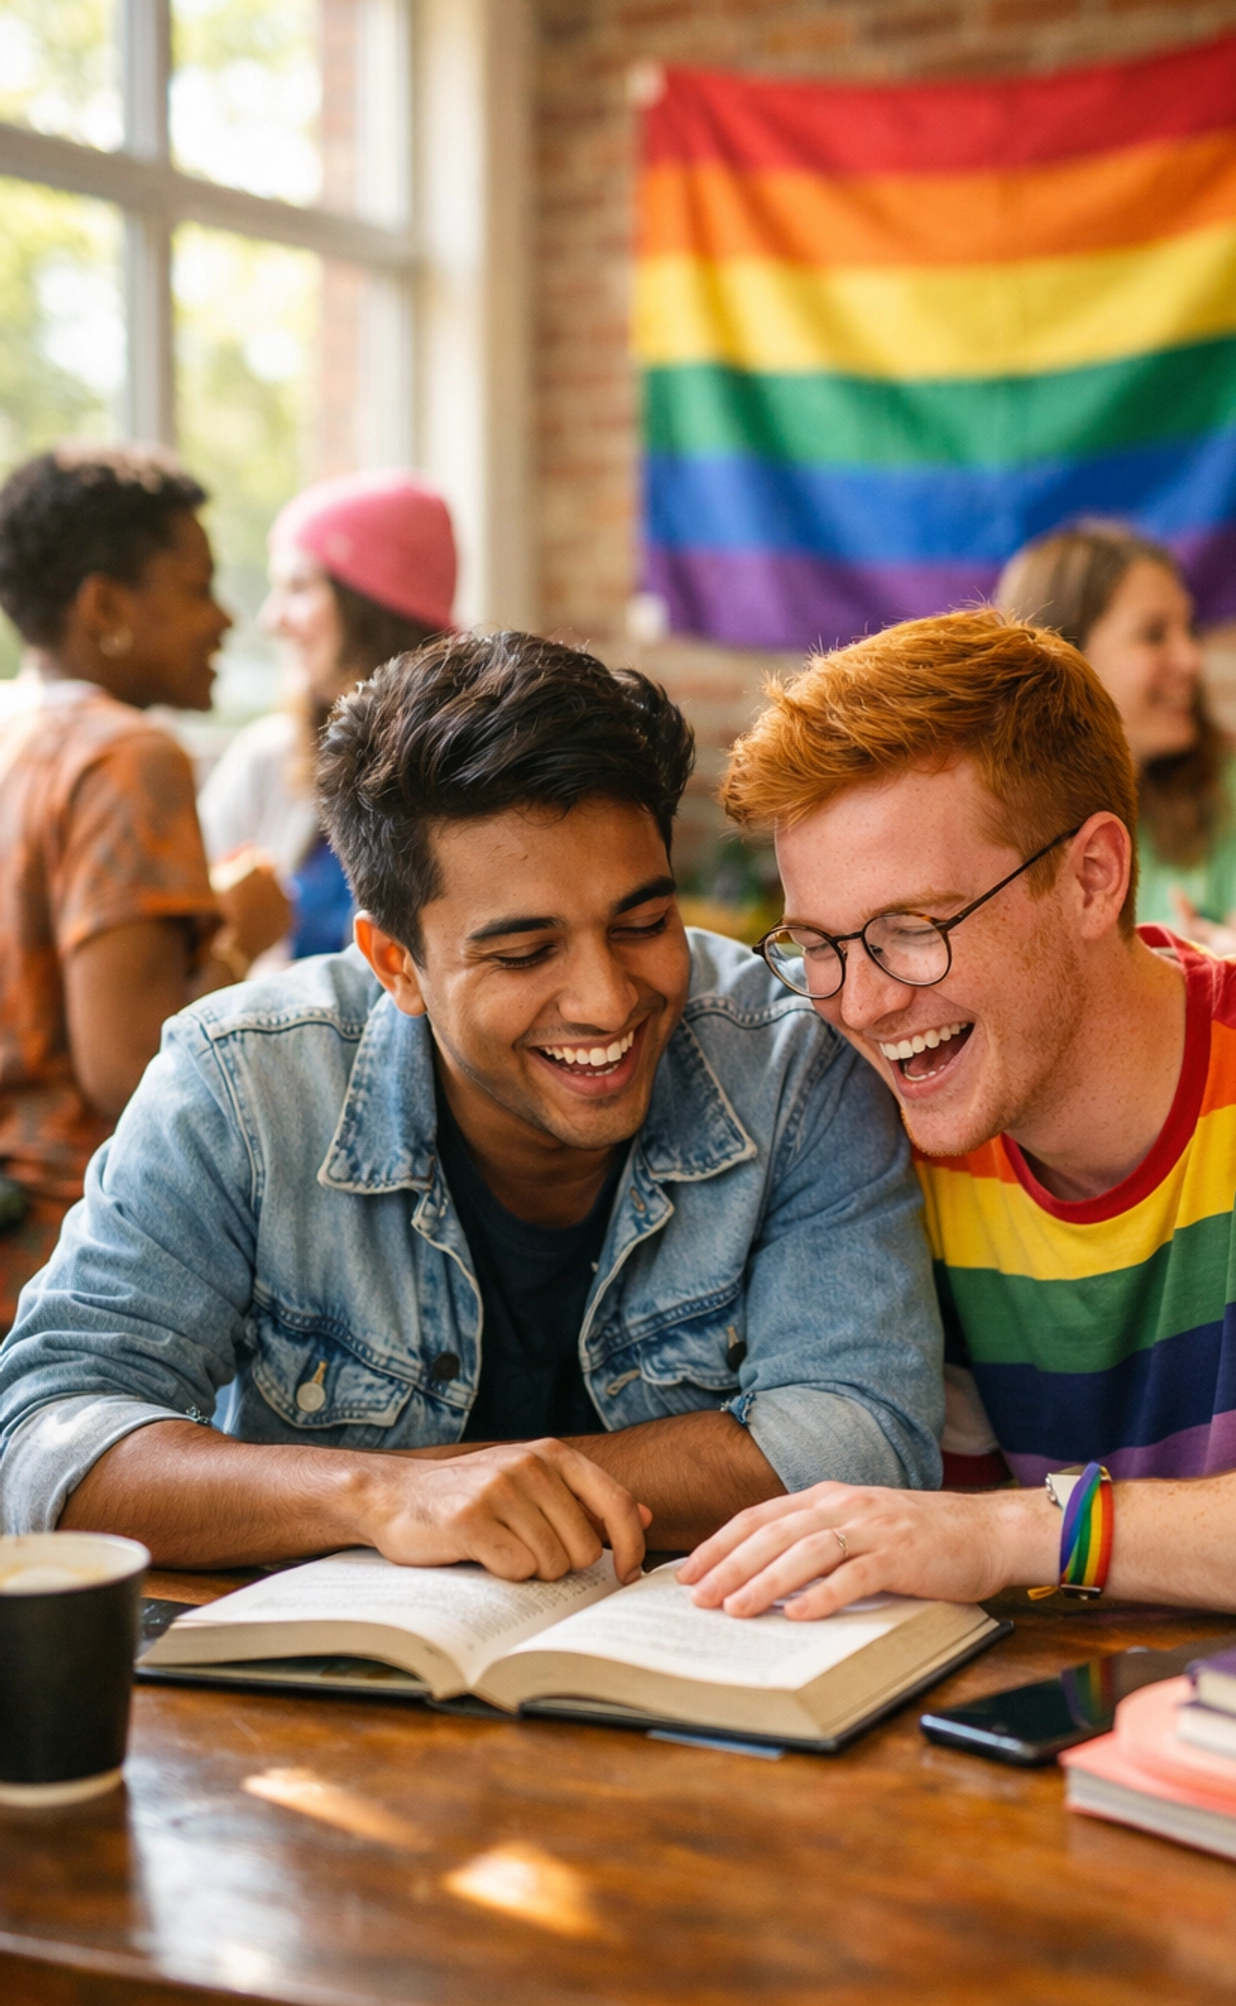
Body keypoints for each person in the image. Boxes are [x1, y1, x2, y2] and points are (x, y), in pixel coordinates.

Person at [0, 631, 942, 1584]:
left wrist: (499, 1487)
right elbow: (49, 1437)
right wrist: (379, 1497)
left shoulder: (795, 1061)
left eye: (645, 924)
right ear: (395, 963)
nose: (607, 1000)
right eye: (525, 953)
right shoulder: (239, 1084)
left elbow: (862, 1440)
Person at [676, 608, 1236, 1623]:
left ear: (1093, 877)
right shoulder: (898, 1133)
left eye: (913, 929)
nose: (860, 1004)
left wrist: (1019, 1530)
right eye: (818, 946)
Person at [0, 446, 287, 1330]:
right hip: (70, 1263)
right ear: (106, 607)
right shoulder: (125, 756)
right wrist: (241, 931)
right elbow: (131, 1071)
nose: (224, 619)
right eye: (197, 586)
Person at [199, 468, 457, 962]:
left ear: (374, 604)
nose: (271, 619)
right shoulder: (268, 756)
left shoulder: (476, 765)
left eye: (298, 587)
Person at [995, 520, 1236, 931]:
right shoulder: (986, 812)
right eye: (1153, 635)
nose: (1191, 659)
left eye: (1188, 630)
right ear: (1062, 655)